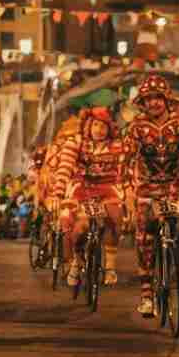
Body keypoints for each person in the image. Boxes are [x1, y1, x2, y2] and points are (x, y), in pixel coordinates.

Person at [122, 75, 179, 316]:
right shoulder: (136, 127)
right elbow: (128, 160)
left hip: (177, 182)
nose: (153, 103)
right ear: (143, 102)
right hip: (149, 185)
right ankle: (147, 295)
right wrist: (128, 189)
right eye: (148, 99)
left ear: (166, 100)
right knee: (144, 234)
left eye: (157, 98)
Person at [50, 107, 126, 287]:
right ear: (88, 126)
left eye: (103, 127)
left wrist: (128, 192)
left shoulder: (117, 146)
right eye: (96, 125)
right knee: (75, 224)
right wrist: (58, 193)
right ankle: (76, 260)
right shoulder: (75, 142)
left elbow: (124, 170)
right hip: (81, 188)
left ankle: (110, 267)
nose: (99, 130)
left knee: (115, 216)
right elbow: (65, 168)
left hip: (108, 188)